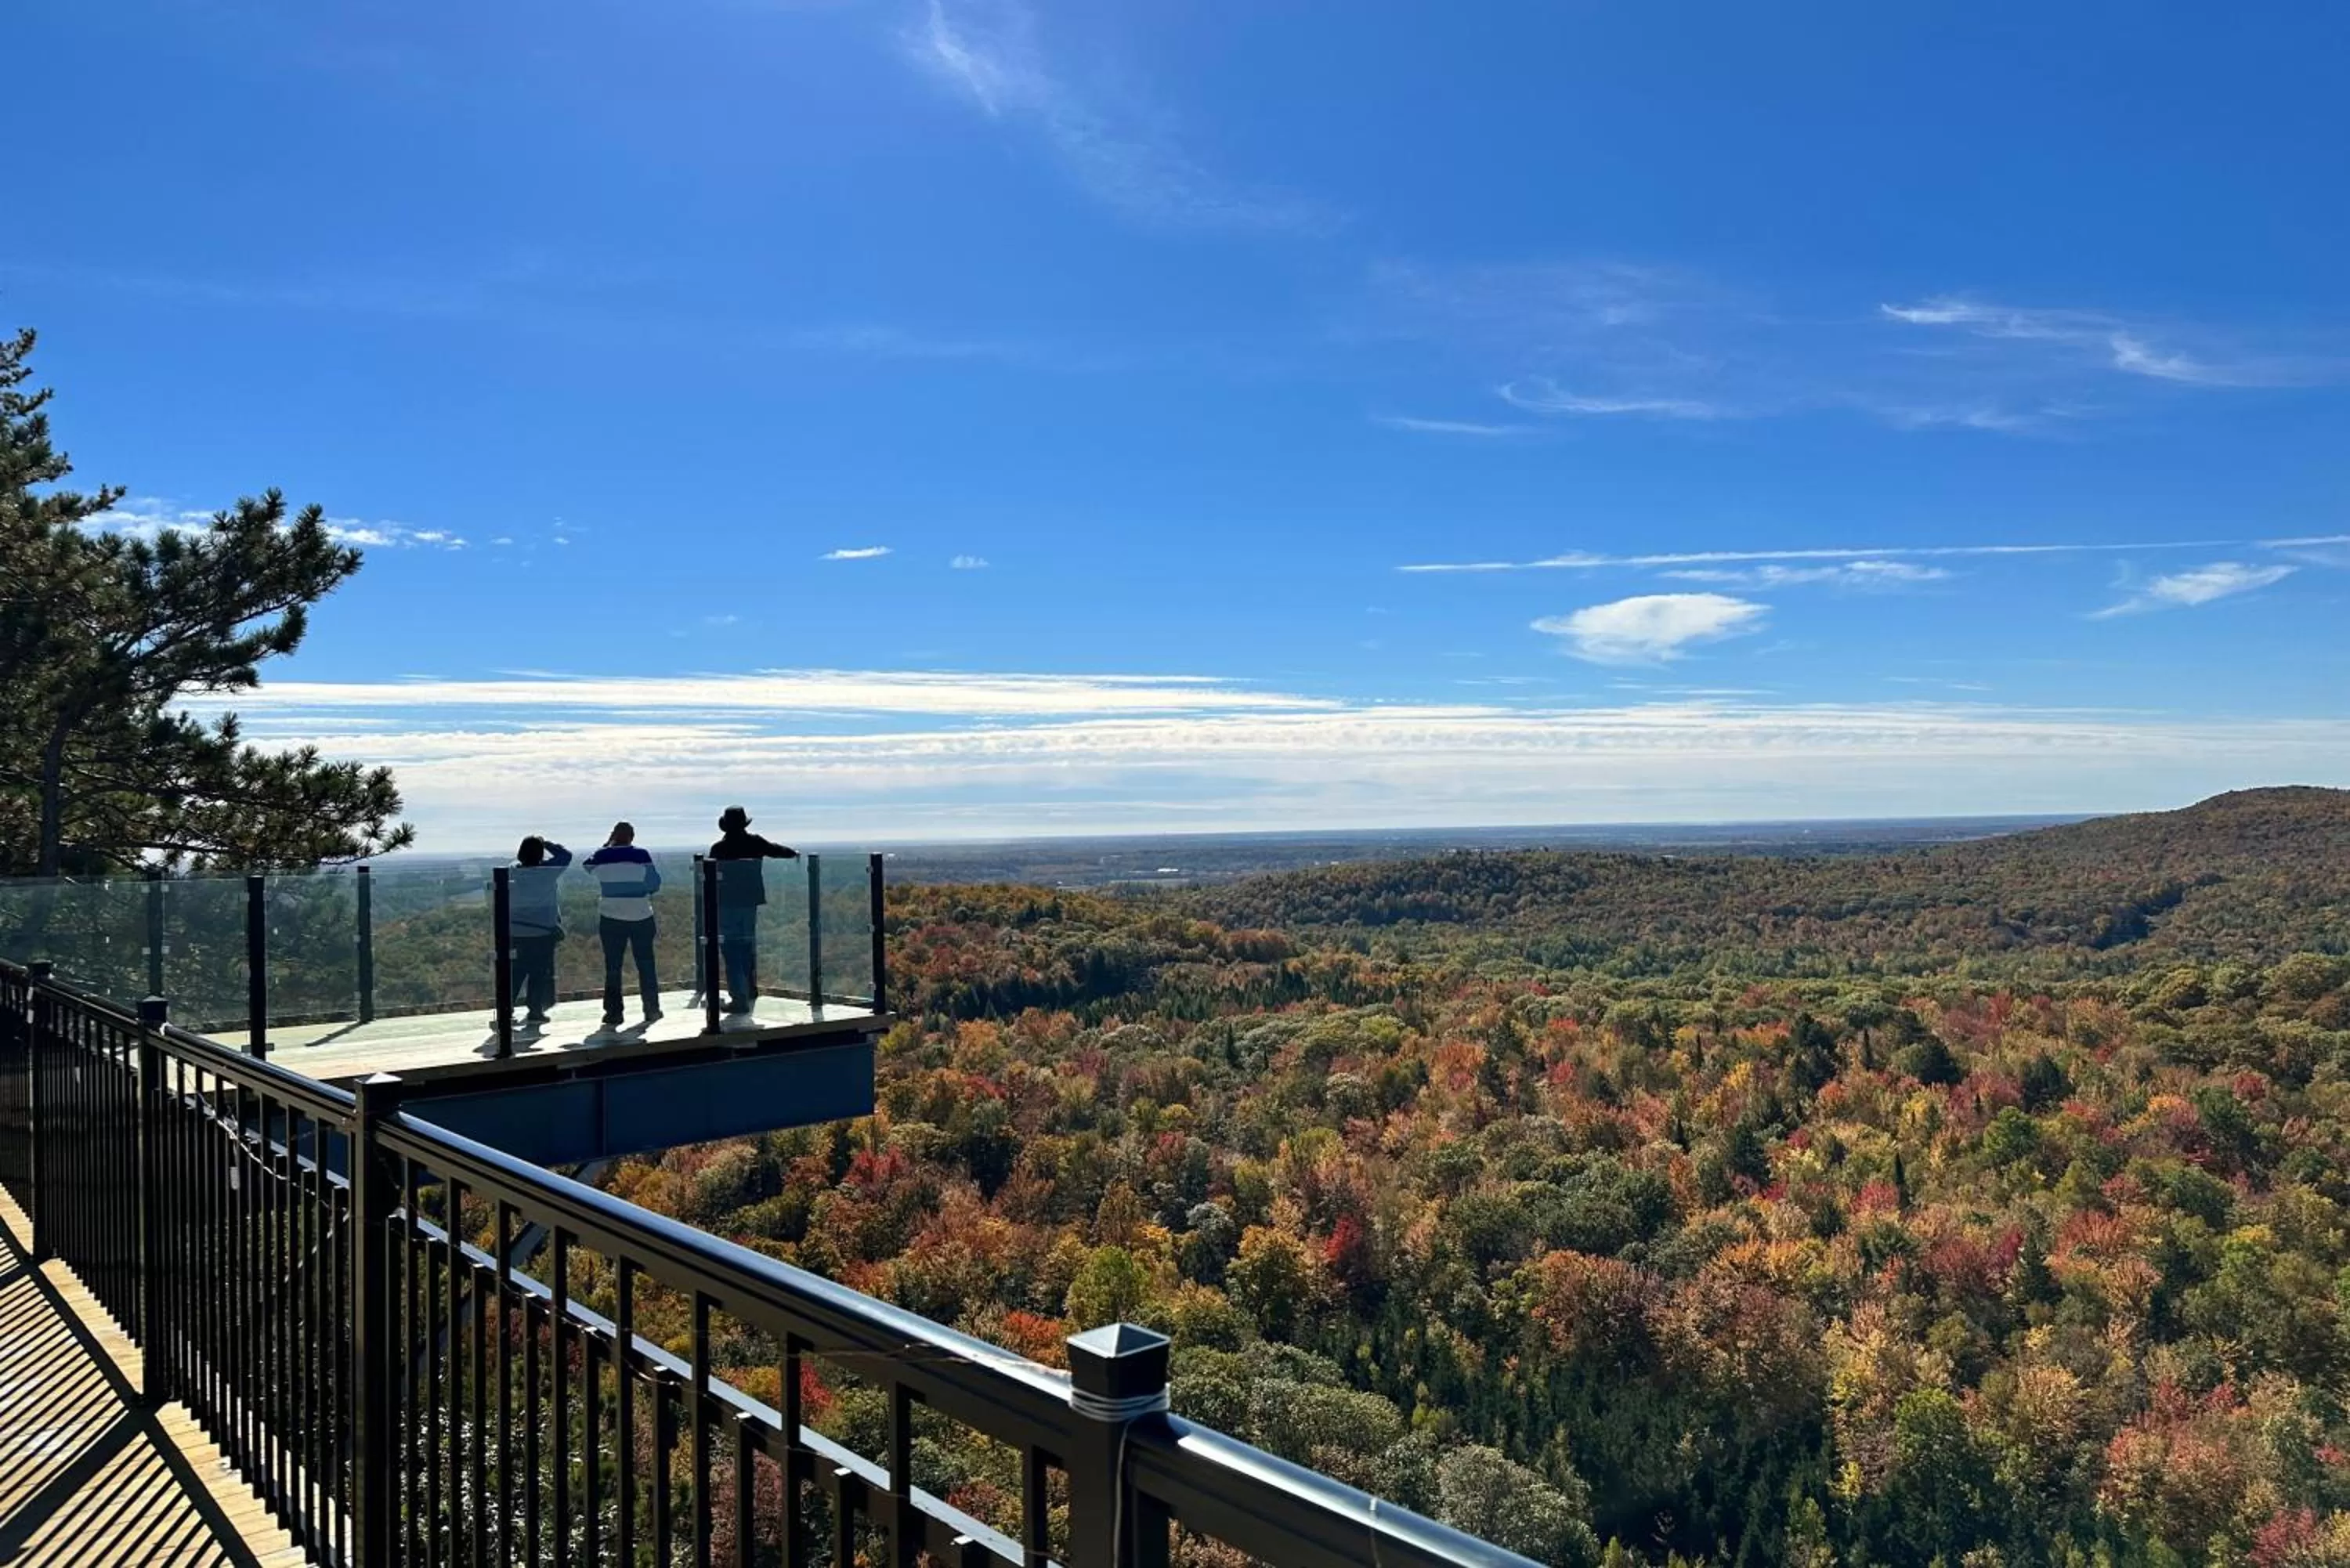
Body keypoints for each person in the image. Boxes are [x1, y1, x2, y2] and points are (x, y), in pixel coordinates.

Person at [707, 805, 797, 1016]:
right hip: (749, 904)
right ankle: (749, 990)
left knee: (731, 950)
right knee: (747, 946)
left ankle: (739, 999)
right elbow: (777, 850)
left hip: (726, 905)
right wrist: (794, 854)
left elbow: (708, 876)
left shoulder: (718, 849)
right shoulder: (754, 842)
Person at [583, 821, 663, 1028]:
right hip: (641, 915)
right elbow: (655, 884)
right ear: (632, 837)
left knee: (613, 966)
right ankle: (652, 1009)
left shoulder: (602, 855)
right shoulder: (642, 855)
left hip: (611, 917)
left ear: (613, 836)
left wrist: (607, 845)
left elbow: (587, 866)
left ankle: (613, 1013)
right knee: (646, 964)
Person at [507, 834, 572, 1027]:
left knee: (515, 973)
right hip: (542, 932)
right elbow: (566, 855)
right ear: (540, 854)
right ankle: (535, 1011)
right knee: (538, 973)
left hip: (515, 931)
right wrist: (546, 843)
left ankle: (506, 1009)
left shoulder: (511, 872)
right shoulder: (548, 872)